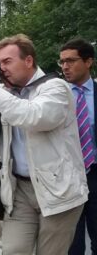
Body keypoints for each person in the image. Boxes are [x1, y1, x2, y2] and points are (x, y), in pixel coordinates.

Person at [0, 34, 88, 254]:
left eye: (7, 62)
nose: (1, 68)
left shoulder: (56, 87)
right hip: (19, 189)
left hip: (58, 190)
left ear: (28, 61)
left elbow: (33, 117)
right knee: (12, 250)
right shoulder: (7, 94)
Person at [61, 38, 97, 255]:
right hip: (68, 175)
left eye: (71, 61)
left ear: (88, 62)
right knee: (72, 242)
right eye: (62, 62)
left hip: (95, 172)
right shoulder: (56, 96)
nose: (65, 67)